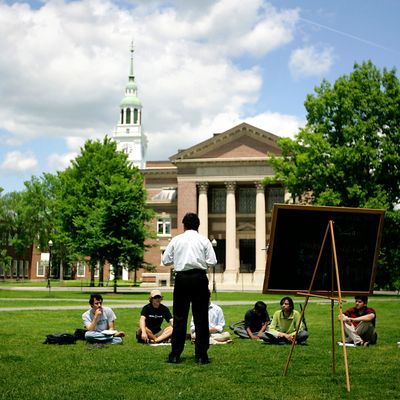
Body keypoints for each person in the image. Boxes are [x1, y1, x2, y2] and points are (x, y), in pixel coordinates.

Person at [162, 212, 217, 364]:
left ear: (184, 225)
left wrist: (179, 259)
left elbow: (165, 260)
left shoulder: (176, 240)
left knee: (179, 318)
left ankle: (175, 354)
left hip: (182, 279)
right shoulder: (204, 240)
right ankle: (201, 355)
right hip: (199, 278)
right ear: (198, 226)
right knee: (201, 318)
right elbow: (212, 261)